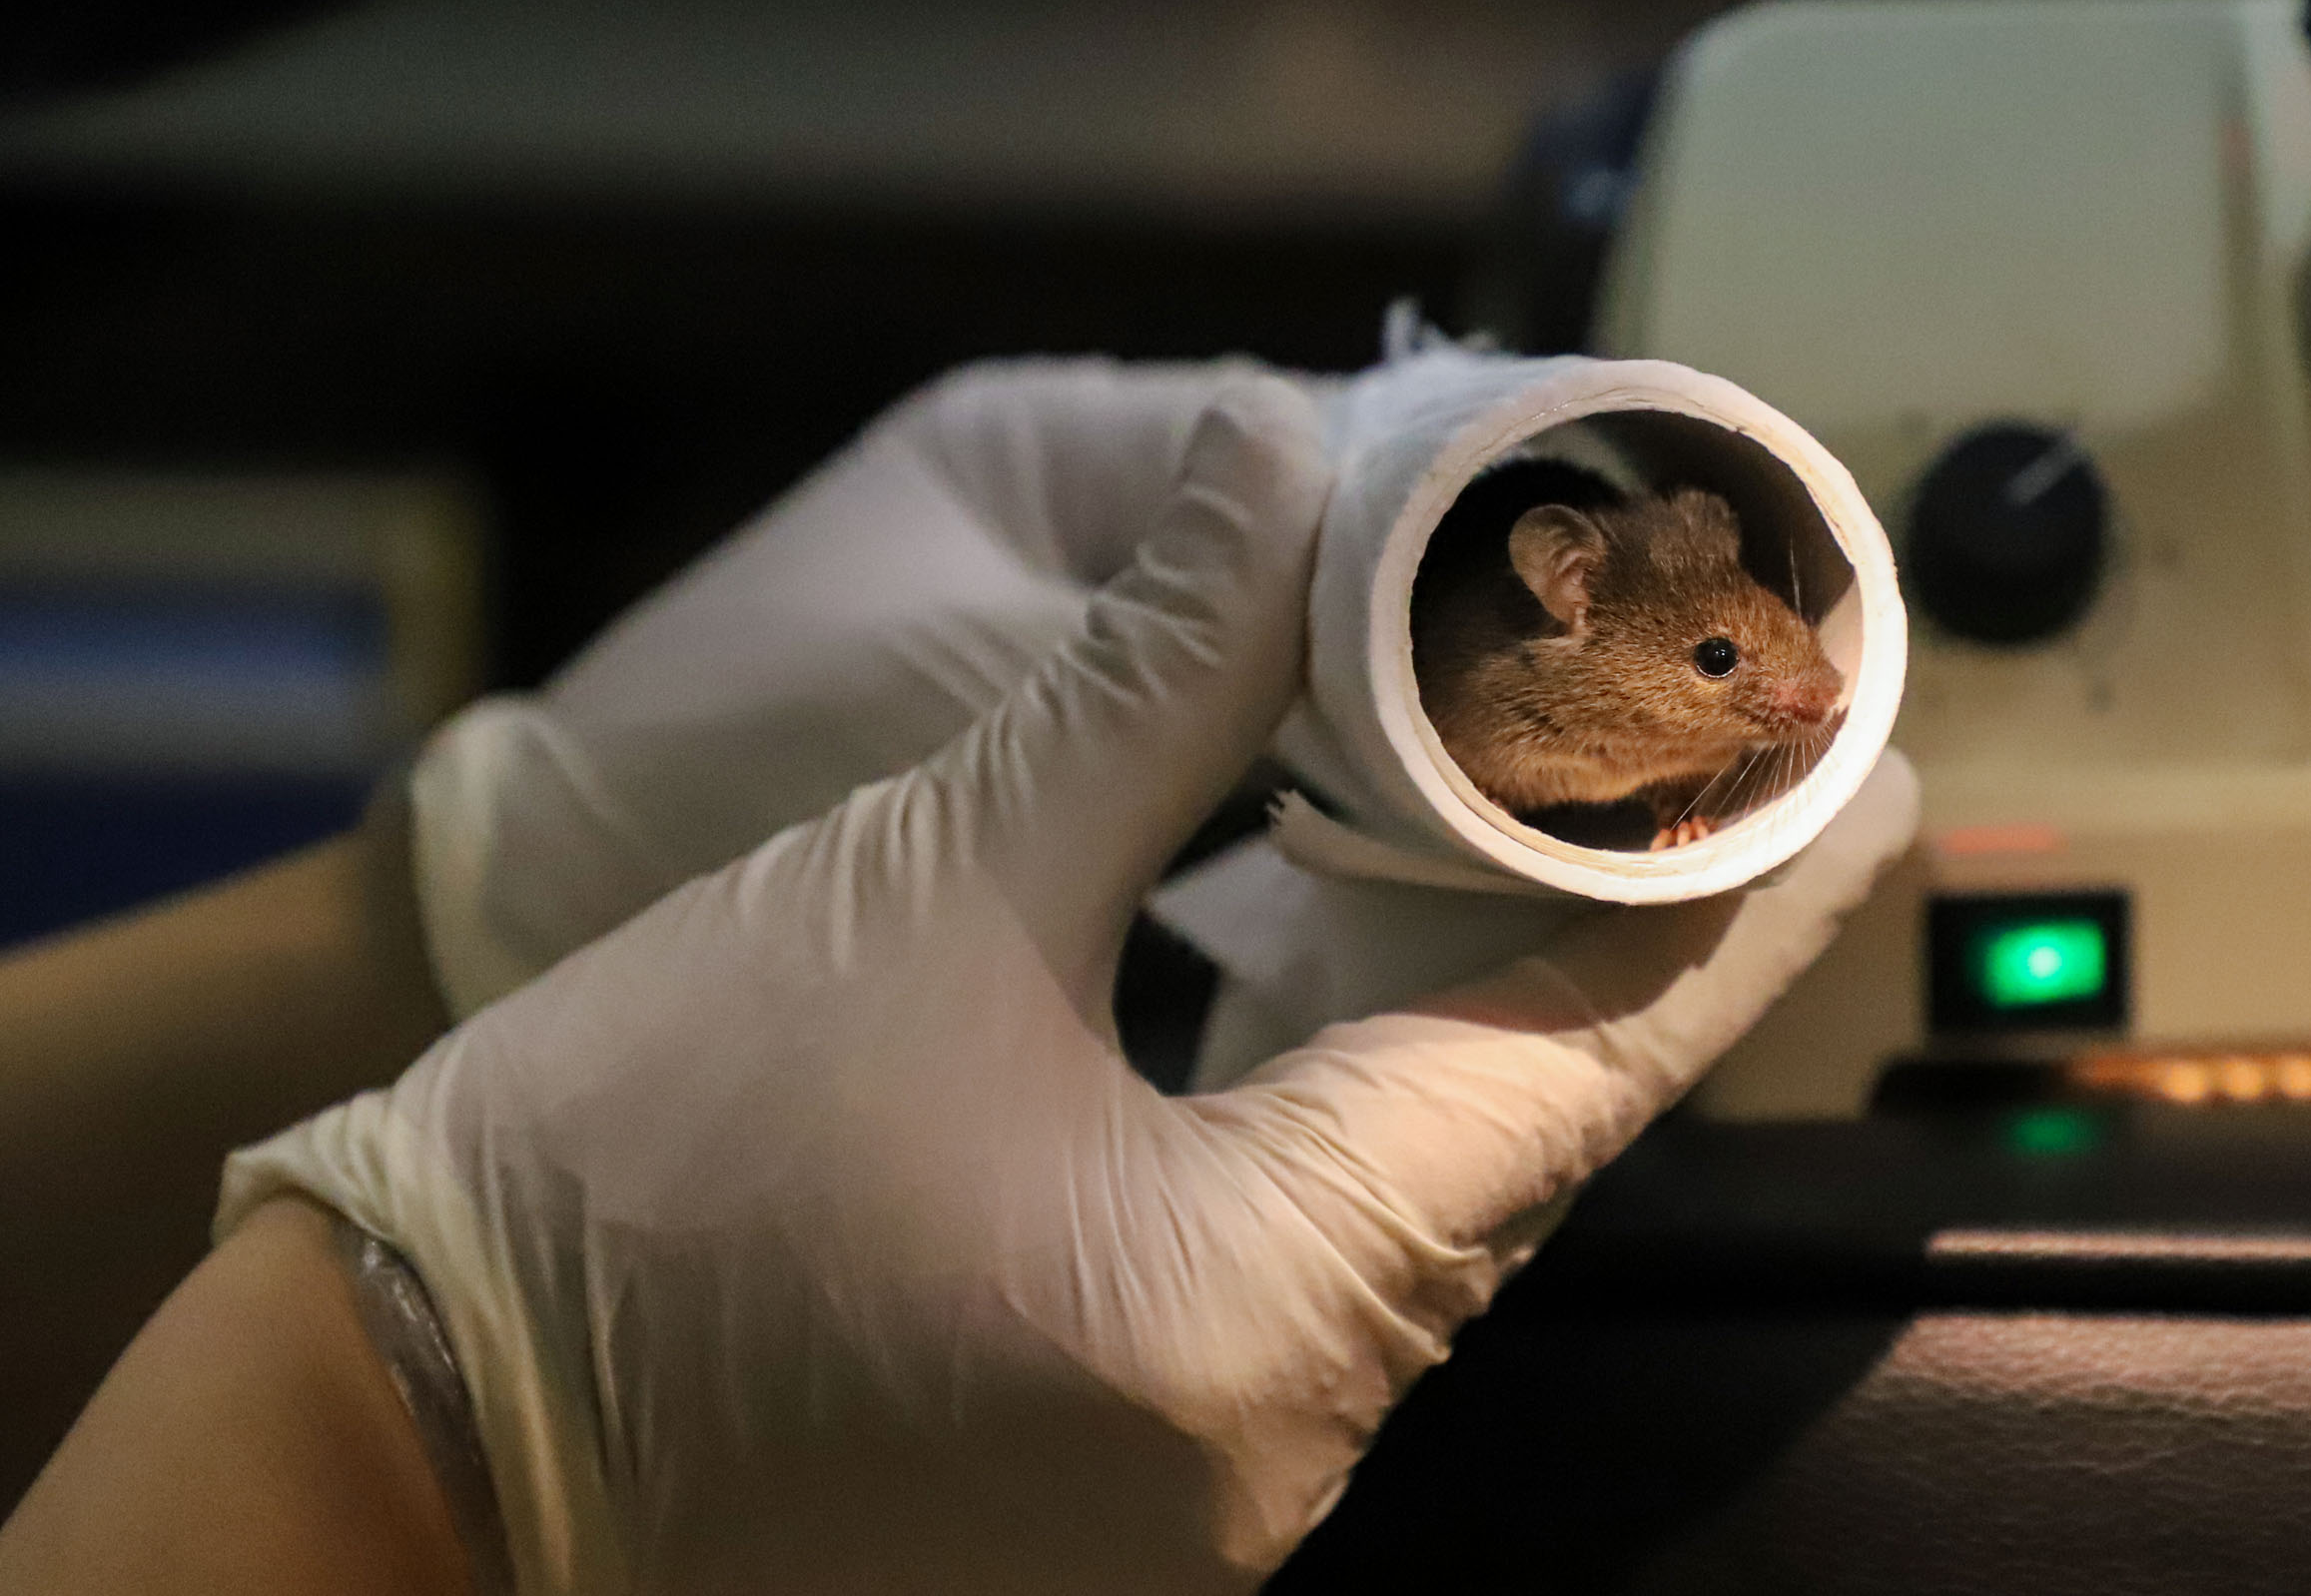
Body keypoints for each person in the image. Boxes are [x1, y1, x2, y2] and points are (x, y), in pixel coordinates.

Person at [0, 362, 1916, 1594]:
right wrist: (411, 1436)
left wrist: (438, 933)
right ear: (1572, 585)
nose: (1798, 698)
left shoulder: (1658, 634)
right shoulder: (1540, 661)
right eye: (1741, 680)